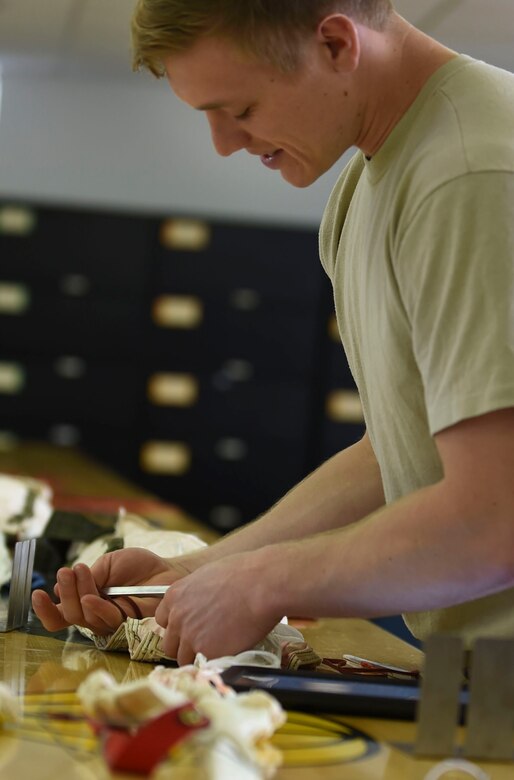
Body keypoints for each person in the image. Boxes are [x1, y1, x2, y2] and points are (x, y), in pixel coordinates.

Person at [32, 0, 514, 666]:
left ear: (337, 44)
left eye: (243, 110)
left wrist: (265, 582)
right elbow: (400, 449)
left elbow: (494, 518)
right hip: (477, 677)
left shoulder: (468, 175)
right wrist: (202, 572)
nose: (225, 143)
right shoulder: (365, 187)